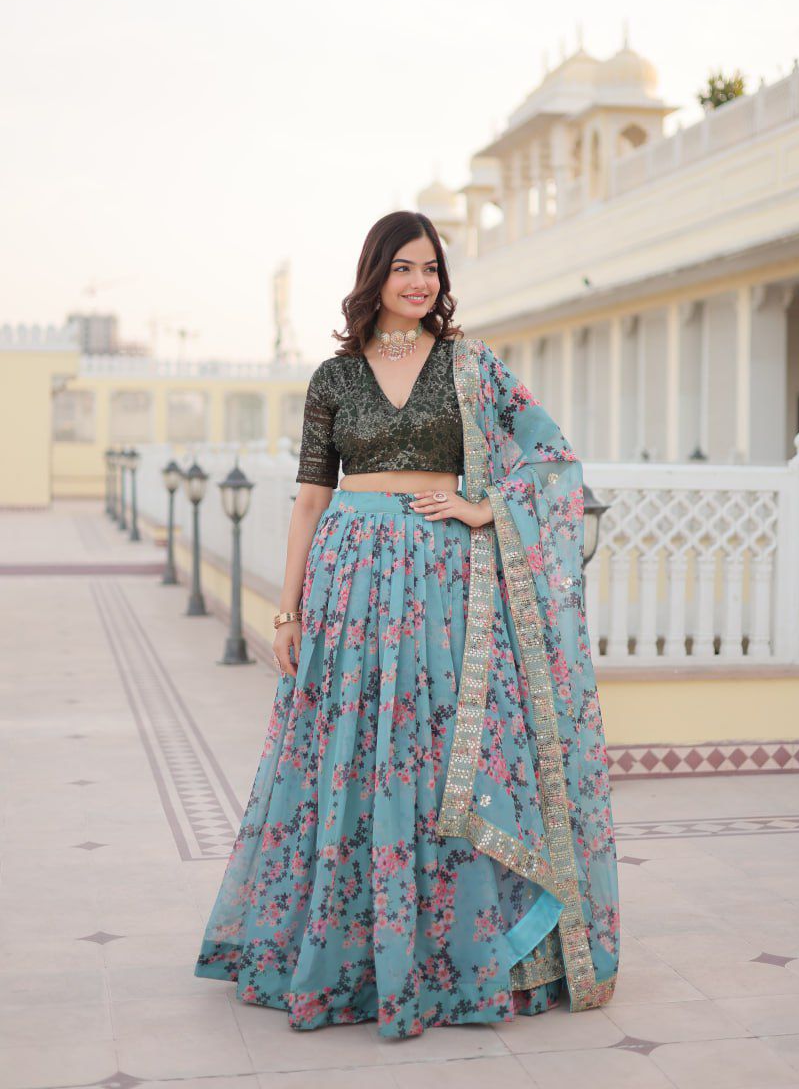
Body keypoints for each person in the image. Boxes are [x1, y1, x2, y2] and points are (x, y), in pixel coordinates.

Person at [194, 211, 619, 1039]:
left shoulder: (471, 365)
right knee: (348, 749)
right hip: (349, 580)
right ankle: (348, 958)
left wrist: (481, 506)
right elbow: (311, 497)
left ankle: (449, 957)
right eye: (403, 269)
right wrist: (287, 611)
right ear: (374, 277)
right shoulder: (333, 377)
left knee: (434, 752)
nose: (420, 282)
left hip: (444, 582)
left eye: (431, 268)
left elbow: (551, 456)